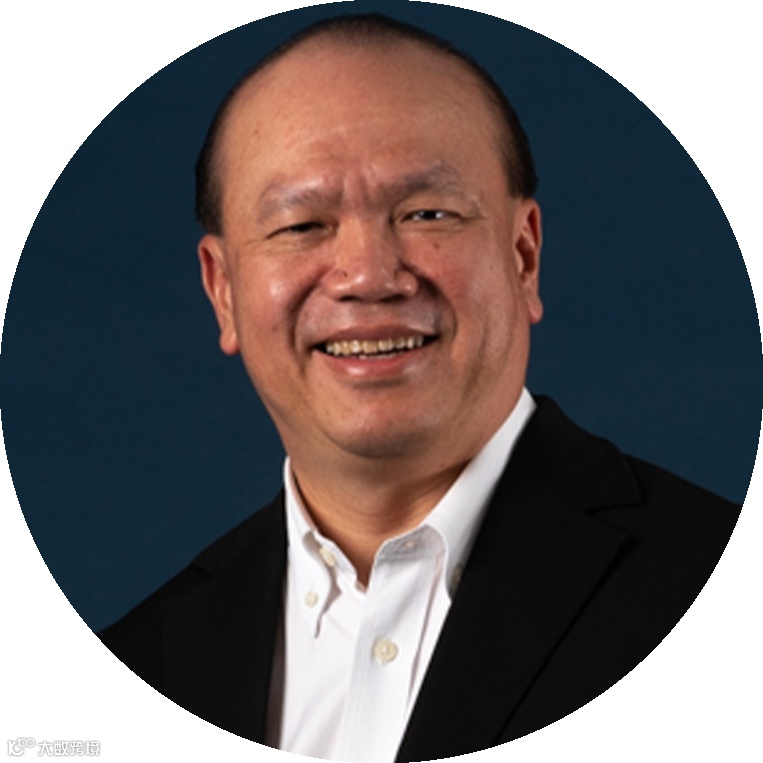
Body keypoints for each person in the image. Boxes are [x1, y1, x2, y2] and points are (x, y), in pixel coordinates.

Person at [99, 14, 740, 763]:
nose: (368, 275)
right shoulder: (130, 673)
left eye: (427, 213)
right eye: (301, 225)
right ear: (223, 292)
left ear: (523, 256)